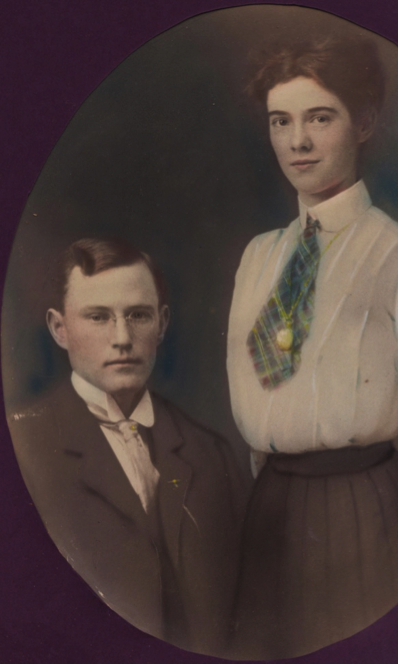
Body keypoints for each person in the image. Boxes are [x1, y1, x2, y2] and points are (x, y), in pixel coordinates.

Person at [227, 36, 398, 659]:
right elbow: (260, 402)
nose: (298, 142)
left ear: (363, 122)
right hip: (272, 513)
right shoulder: (259, 256)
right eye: (281, 122)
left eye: (320, 118)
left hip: (370, 514)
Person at [8, 238, 245, 656]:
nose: (122, 338)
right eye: (98, 317)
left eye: (138, 315)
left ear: (162, 323)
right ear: (59, 328)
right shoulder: (22, 447)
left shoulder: (210, 453)